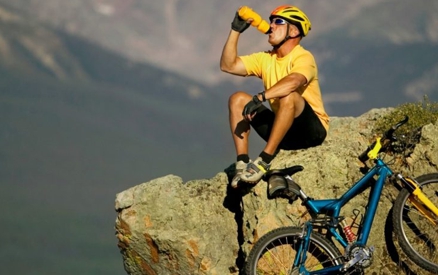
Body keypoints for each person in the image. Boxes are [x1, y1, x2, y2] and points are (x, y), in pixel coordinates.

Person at [220, 5, 329, 188]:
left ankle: (264, 160)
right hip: (283, 132)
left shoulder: (303, 57)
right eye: (271, 21)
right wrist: (235, 30)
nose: (271, 25)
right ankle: (242, 163)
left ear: (293, 31)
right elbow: (228, 65)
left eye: (278, 22)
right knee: (237, 98)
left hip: (311, 131)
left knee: (289, 95)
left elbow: (294, 81)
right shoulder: (267, 58)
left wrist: (260, 98)